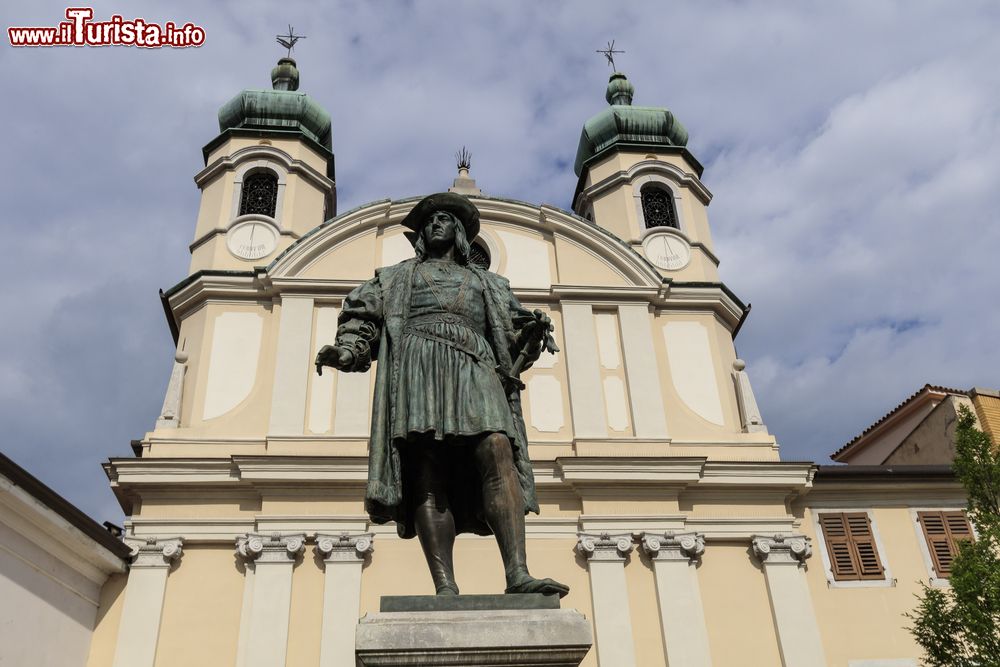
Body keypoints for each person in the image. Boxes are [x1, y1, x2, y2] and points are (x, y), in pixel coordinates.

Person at [315, 192, 569, 597]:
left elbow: (512, 334)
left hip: (475, 367)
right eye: (429, 220)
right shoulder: (394, 278)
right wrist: (347, 352)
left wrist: (534, 330)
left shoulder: (489, 283)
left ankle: (517, 573)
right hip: (418, 370)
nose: (435, 224)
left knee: (497, 448)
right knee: (425, 470)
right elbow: (362, 321)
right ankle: (445, 584)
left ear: (460, 233)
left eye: (445, 219)